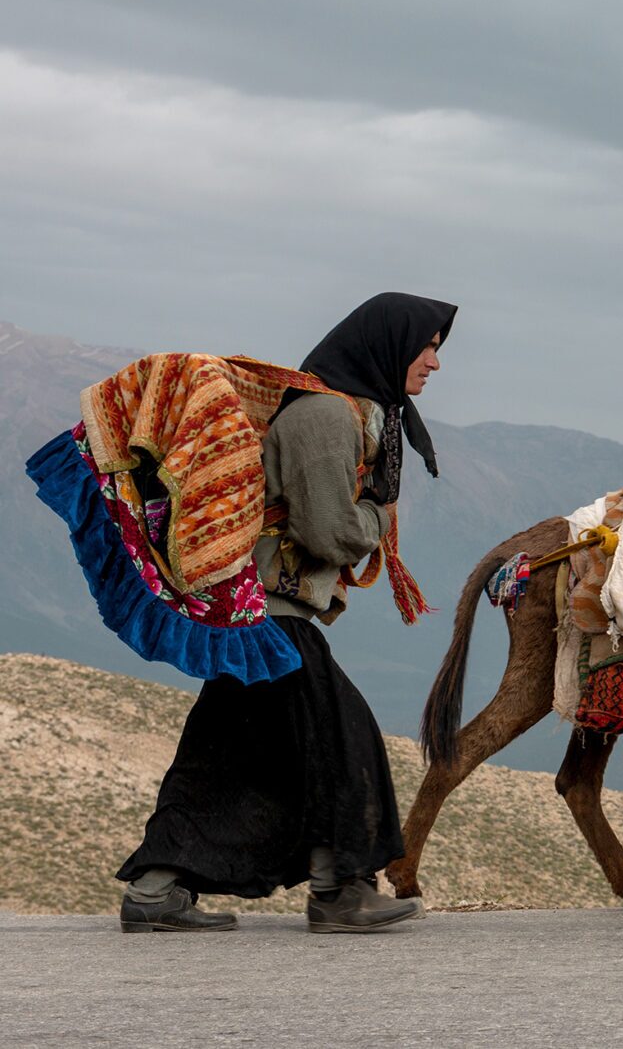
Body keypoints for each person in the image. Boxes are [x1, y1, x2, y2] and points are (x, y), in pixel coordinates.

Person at [116, 292, 458, 934]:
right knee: (342, 738)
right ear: (386, 347)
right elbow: (329, 532)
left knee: (229, 754)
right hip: (271, 618)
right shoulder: (328, 417)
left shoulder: (341, 411)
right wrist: (379, 516)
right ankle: (340, 892)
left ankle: (158, 890)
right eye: (428, 346)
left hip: (259, 614)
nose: (435, 362)